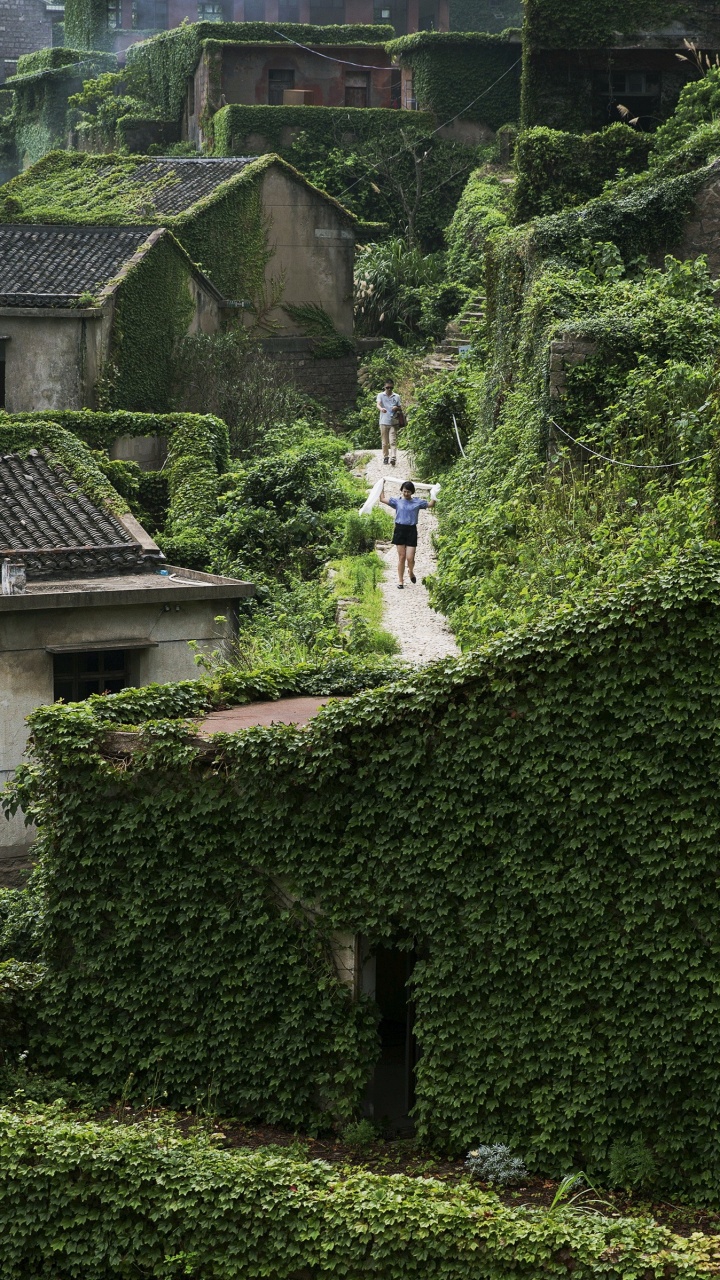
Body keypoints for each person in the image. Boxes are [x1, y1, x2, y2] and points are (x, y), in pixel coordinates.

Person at [379, 479, 436, 588]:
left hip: (411, 530)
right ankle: (401, 581)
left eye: (408, 492)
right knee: (402, 557)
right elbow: (382, 499)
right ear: (402, 491)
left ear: (412, 492)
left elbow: (431, 504)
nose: (406, 493)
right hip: (400, 529)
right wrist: (381, 485)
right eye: (404, 491)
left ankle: (411, 571)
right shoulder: (397, 501)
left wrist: (434, 493)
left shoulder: (418, 502)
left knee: (410, 558)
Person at [376, 380, 403, 466]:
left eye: (391, 388)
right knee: (384, 442)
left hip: (393, 422)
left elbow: (400, 407)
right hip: (383, 422)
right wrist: (381, 409)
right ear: (384, 387)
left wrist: (397, 408)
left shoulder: (396, 396)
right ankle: (386, 457)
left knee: (393, 441)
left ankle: (393, 458)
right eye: (387, 387)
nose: (389, 389)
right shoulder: (380, 395)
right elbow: (378, 404)